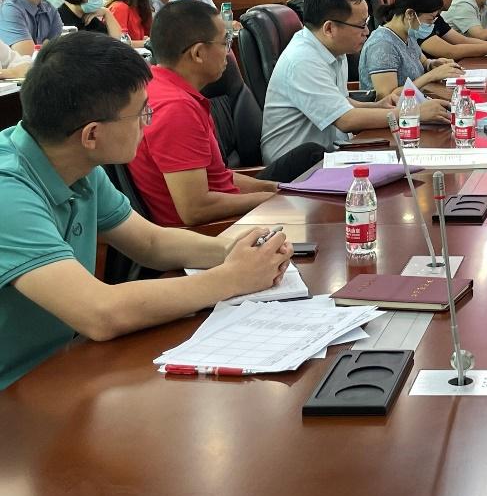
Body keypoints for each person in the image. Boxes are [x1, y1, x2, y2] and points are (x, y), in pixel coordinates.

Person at [0, 30, 292, 389]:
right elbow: (99, 312)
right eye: (140, 113)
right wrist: (232, 278)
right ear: (92, 135)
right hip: (15, 391)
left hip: (58, 369)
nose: (146, 123)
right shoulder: (7, 192)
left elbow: (150, 243)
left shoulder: (77, 165)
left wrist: (235, 250)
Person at [129, 2, 324, 227]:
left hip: (229, 211)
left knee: (310, 162)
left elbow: (219, 178)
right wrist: (276, 199)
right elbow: (195, 209)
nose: (229, 51)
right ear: (198, 53)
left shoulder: (159, 84)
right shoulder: (176, 109)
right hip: (214, 231)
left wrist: (276, 189)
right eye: (225, 42)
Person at [260, 0, 405, 164]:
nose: (367, 31)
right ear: (329, 28)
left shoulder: (334, 50)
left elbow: (340, 102)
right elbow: (346, 120)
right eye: (361, 25)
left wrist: (378, 106)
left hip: (330, 154)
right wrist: (411, 114)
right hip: (297, 168)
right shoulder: (302, 60)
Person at [359, 0, 462, 103]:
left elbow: (422, 62)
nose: (431, 25)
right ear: (410, 14)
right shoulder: (382, 45)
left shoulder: (408, 34)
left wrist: (433, 64)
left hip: (414, 104)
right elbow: (387, 97)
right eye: (430, 19)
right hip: (394, 112)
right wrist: (431, 76)